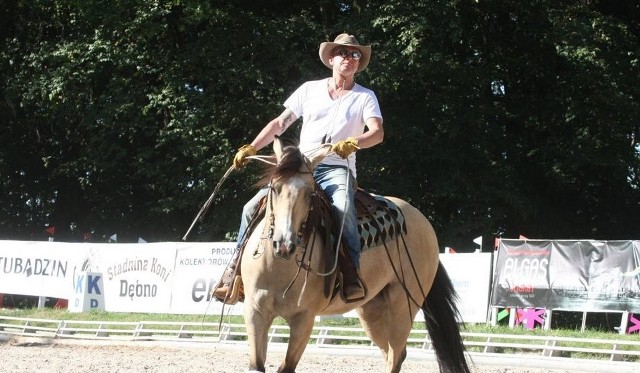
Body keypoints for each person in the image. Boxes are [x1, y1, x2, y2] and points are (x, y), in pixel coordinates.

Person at [213, 33, 384, 303]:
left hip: (336, 170)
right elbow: (280, 124)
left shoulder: (365, 97)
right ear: (331, 58)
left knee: (343, 207)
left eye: (355, 55)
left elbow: (377, 133)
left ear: (358, 63)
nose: (349, 58)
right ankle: (234, 273)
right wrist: (252, 148)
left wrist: (353, 142)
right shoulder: (309, 89)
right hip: (300, 167)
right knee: (250, 208)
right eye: (343, 53)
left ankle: (351, 273)